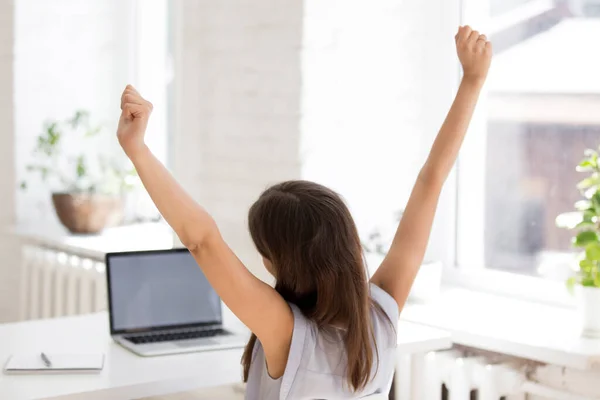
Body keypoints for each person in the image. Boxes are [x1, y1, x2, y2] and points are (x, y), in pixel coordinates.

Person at [116, 25, 492, 400]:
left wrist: (138, 149)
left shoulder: (287, 333)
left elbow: (201, 239)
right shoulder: (381, 316)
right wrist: (472, 80)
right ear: (347, 242)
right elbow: (431, 181)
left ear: (271, 262)